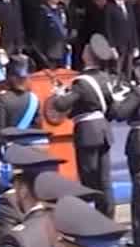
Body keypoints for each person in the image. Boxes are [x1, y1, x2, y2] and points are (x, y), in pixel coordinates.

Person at [48, 34, 116, 216]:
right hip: (103, 129)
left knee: (89, 179)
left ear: (88, 56)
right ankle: (108, 217)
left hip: (87, 132)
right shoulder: (105, 78)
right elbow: (113, 109)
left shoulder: (82, 82)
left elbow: (61, 105)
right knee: (104, 179)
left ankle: (92, 219)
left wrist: (58, 93)